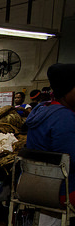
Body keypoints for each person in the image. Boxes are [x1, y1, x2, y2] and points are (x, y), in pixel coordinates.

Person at [26, 63, 75, 205]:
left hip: (33, 184)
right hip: (60, 190)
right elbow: (71, 159)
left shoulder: (42, 110)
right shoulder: (64, 117)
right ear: (67, 90)